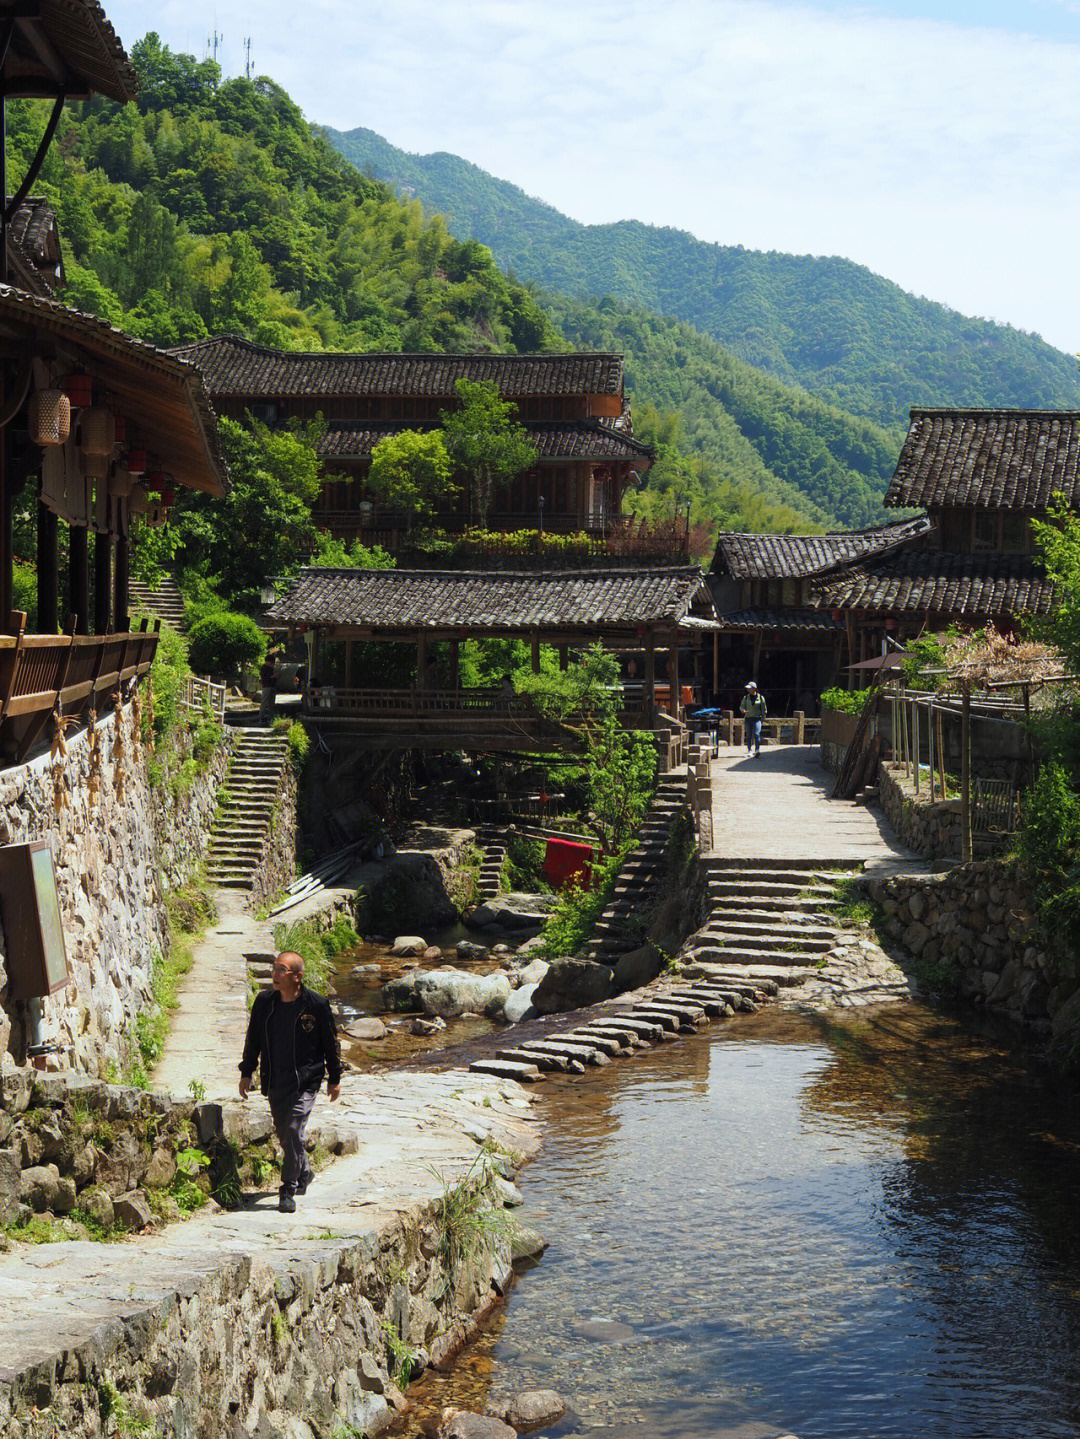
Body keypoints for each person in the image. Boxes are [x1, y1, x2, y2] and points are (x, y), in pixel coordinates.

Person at [238, 950, 342, 1213]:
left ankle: (288, 1188)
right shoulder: (264, 1002)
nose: (275, 974)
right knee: (285, 1133)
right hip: (275, 1079)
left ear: (298, 976)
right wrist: (247, 1072)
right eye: (274, 968)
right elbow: (253, 1040)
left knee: (294, 1129)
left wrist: (334, 1077)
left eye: (281, 969)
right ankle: (304, 1170)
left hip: (305, 1080)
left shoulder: (316, 1005)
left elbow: (330, 1042)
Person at [739, 680, 767, 757]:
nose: (748, 690)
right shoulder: (746, 698)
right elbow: (741, 706)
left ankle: (757, 750)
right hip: (748, 718)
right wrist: (743, 711)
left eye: (749, 688)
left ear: (754, 689)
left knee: (757, 734)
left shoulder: (761, 698)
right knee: (748, 735)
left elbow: (764, 709)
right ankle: (749, 750)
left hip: (757, 718)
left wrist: (763, 717)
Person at [259, 648, 278, 725]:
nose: (271, 664)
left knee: (271, 703)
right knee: (264, 702)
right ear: (268, 661)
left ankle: (271, 718)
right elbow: (264, 678)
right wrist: (272, 676)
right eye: (271, 662)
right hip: (266, 686)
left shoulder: (271, 668)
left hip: (272, 686)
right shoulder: (263, 668)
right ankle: (261, 717)